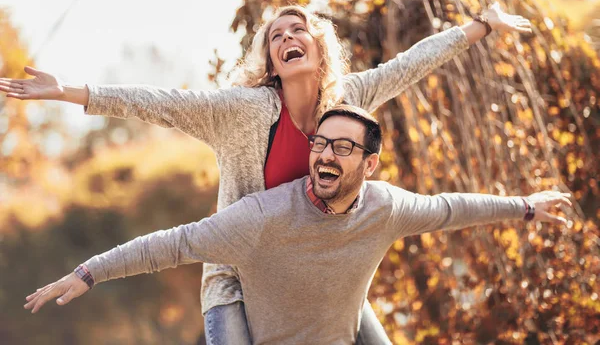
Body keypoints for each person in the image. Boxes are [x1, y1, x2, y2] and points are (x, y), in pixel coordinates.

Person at [2, 3, 532, 344]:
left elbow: (412, 64)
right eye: (276, 36)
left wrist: (481, 26)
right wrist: (70, 90)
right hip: (239, 274)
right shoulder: (243, 111)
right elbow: (158, 102)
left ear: (319, 49)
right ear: (271, 61)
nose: (288, 36)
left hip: (318, 269)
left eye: (299, 29)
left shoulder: (348, 101)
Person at [24, 105, 570, 345]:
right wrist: (89, 273)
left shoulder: (386, 208)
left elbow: (452, 209)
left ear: (370, 164)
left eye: (343, 147)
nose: (325, 154)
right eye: (320, 142)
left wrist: (524, 205)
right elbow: (176, 243)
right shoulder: (262, 217)